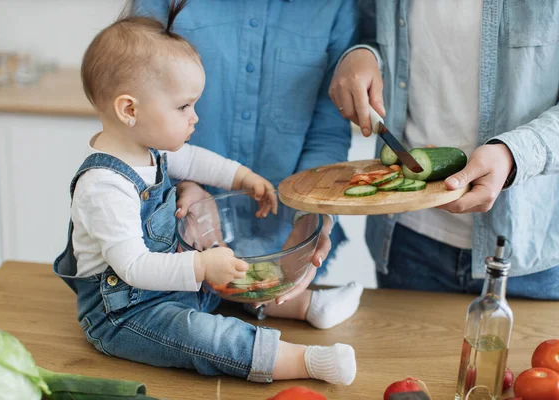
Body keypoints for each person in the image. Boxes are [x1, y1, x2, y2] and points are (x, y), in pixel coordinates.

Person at [53, 4, 359, 384]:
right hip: (124, 312)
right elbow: (133, 267)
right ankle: (303, 361)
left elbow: (195, 160)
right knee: (204, 335)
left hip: (165, 287)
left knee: (225, 286)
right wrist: (200, 267)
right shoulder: (105, 185)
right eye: (183, 106)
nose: (194, 117)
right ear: (129, 109)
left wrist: (244, 178)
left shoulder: (149, 148)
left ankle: (309, 305)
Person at [133, 0, 363, 302]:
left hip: (288, 245)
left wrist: (311, 214)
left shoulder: (336, 7)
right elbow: (135, 110)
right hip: (178, 242)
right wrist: (185, 184)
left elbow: (327, 131)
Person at [329, 0, 559, 299]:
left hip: (531, 250)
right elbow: (370, 31)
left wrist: (513, 154)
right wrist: (361, 53)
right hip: (407, 237)